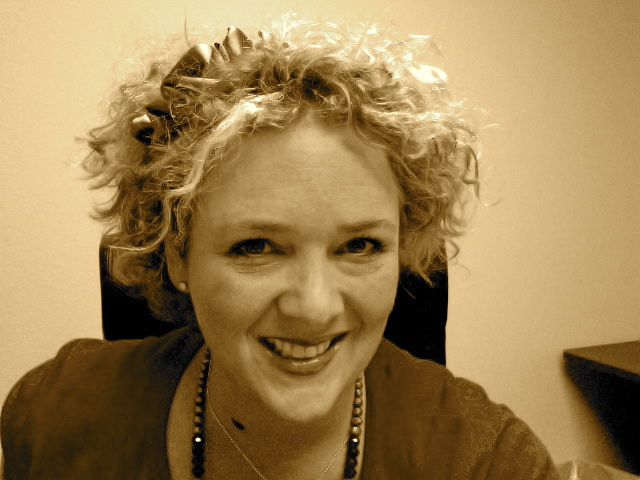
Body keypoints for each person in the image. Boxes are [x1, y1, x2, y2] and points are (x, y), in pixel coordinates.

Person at [0, 17, 559, 480]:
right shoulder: (53, 418)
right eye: (256, 247)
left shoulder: (489, 462)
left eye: (360, 245)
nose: (314, 307)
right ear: (176, 253)